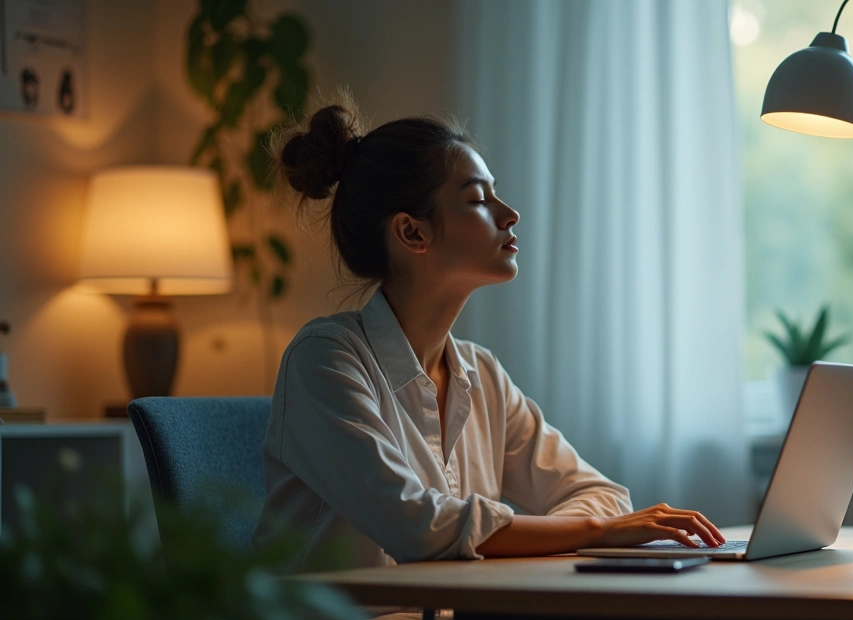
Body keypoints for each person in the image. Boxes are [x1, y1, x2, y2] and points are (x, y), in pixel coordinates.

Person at [253, 99, 725, 574]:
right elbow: (417, 527)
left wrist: (571, 530)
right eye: (478, 199)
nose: (510, 213)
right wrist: (596, 533)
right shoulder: (326, 360)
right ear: (412, 232)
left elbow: (598, 494)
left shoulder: (481, 375)